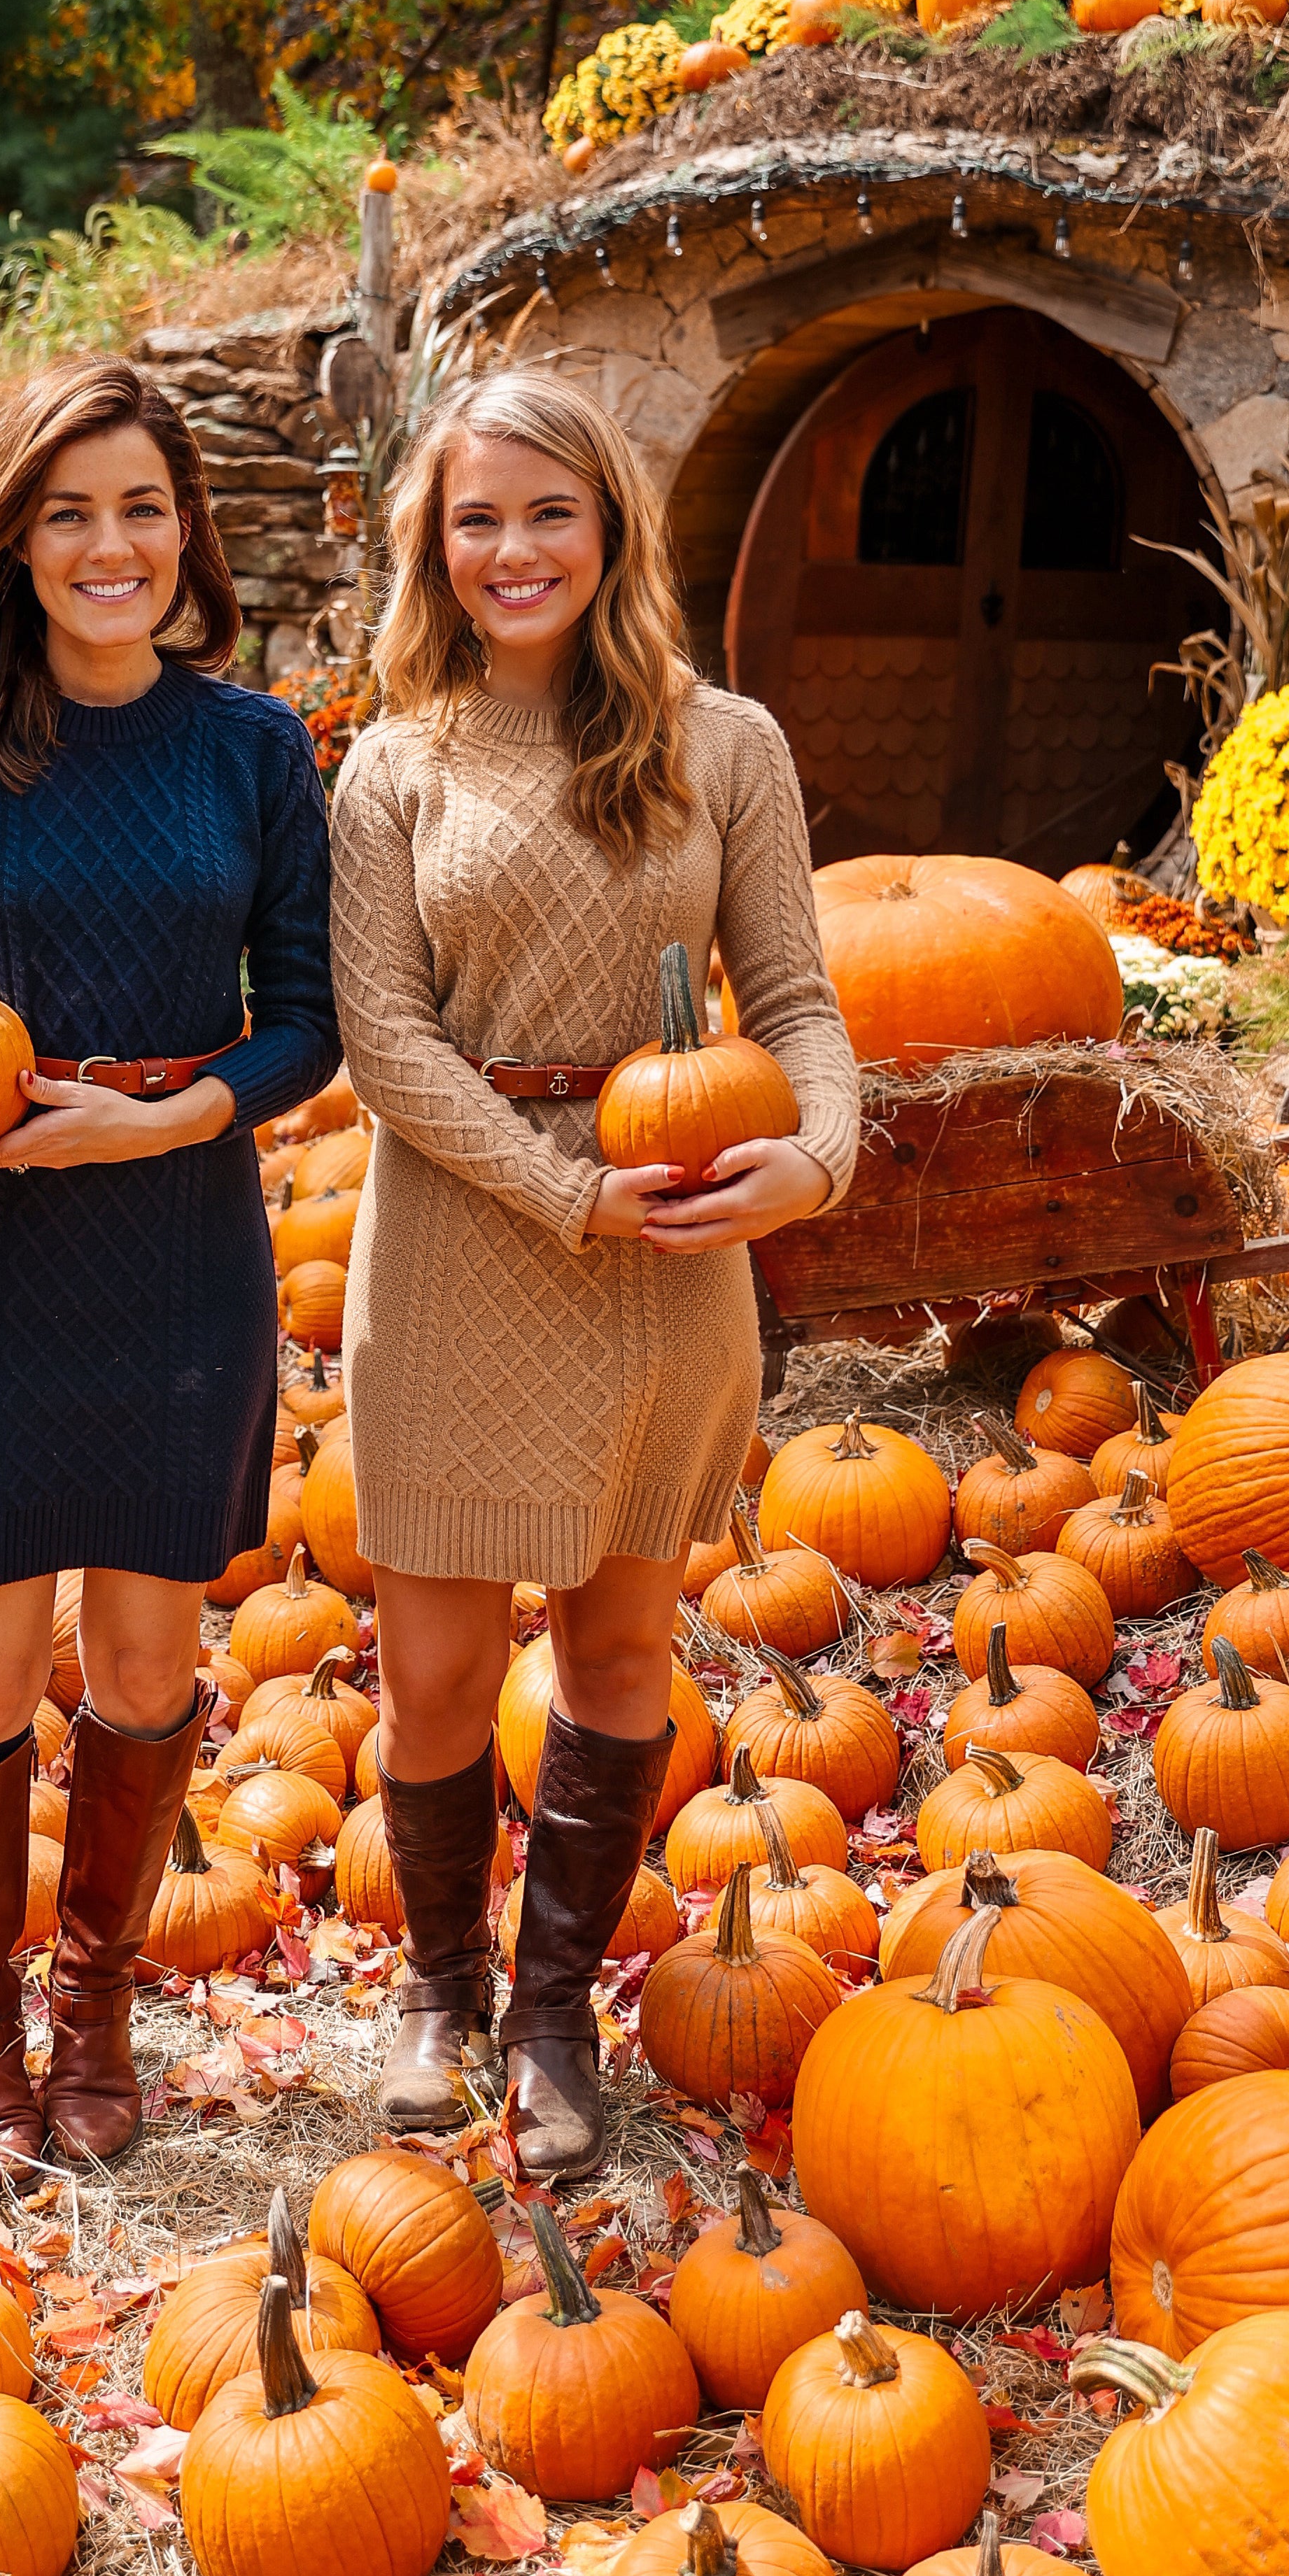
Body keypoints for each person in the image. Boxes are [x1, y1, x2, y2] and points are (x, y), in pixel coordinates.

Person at [327, 367, 857, 2185]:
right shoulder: (390, 768)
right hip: (464, 1241)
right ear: (434, 546)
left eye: (548, 510)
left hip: (674, 1251)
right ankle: (438, 1987)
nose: (512, 548)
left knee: (621, 1650)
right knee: (432, 1680)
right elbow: (381, 1043)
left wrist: (809, 1157)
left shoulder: (730, 748)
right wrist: (563, 1193)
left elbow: (794, 1005)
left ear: (610, 526)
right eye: (476, 518)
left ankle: (551, 2014)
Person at [0, 355, 339, 2168]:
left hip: (177, 1254)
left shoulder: (252, 750)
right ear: (15, 537)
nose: (108, 545)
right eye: (68, 512)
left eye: (138, 507)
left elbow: (311, 1026)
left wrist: (173, 1115)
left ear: (183, 527)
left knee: (139, 1666)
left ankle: (93, 2013)